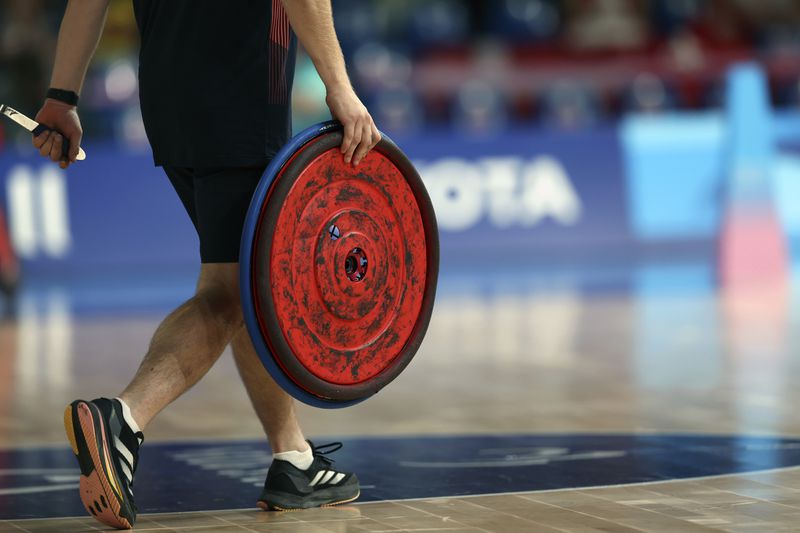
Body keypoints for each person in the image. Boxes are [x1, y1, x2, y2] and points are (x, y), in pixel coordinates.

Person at [32, 1, 380, 529]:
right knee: (229, 292)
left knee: (244, 278)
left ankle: (293, 458)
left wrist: (62, 95)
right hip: (239, 92)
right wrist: (339, 85)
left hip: (167, 100)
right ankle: (122, 418)